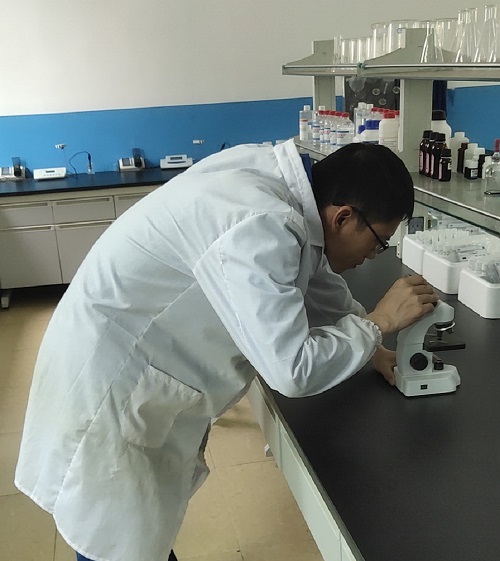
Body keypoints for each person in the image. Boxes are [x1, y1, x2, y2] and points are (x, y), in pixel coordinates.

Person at [15, 139, 437, 561]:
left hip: (119, 354)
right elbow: (292, 370)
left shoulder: (280, 188)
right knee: (112, 538)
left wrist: (372, 347)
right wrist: (377, 323)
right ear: (343, 217)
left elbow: (311, 277)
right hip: (112, 386)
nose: (373, 256)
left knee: (128, 538)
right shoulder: (261, 222)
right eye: (379, 242)